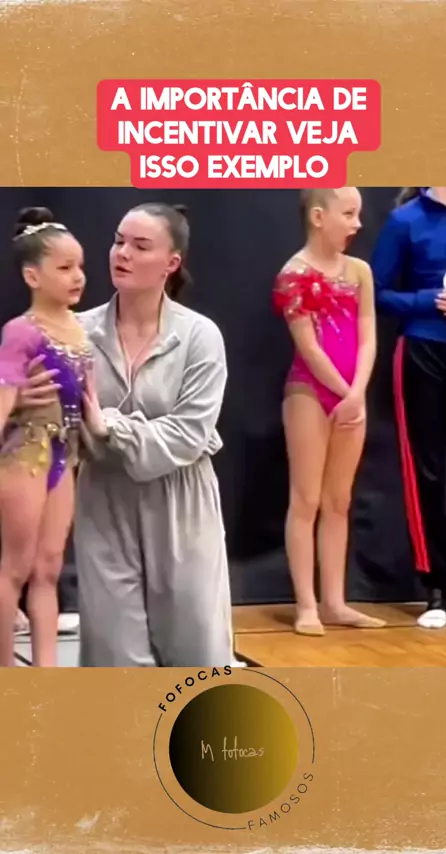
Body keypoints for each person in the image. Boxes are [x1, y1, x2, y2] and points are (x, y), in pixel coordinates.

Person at [18, 201, 234, 667]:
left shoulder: (200, 336)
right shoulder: (74, 332)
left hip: (181, 502)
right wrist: (26, 400)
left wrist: (108, 425)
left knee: (195, 649)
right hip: (104, 500)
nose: (123, 253)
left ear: (171, 263)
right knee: (115, 654)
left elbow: (189, 433)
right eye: (119, 241)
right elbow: (55, 429)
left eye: (140, 246)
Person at [273, 188, 384, 636]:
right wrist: (345, 393)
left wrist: (357, 393)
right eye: (349, 214)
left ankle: (335, 601)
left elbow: (368, 334)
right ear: (319, 217)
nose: (357, 223)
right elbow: (309, 346)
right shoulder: (293, 274)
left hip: (352, 395)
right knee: (307, 499)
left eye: (359, 214)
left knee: (339, 501)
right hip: (309, 393)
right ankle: (306, 604)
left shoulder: (359, 271)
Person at [372, 186, 446, 629]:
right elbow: (377, 292)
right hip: (422, 351)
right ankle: (436, 590)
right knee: (426, 474)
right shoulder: (405, 221)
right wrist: (427, 301)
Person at [0, 206, 92, 667]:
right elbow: (5, 396)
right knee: (14, 569)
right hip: (25, 454)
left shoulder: (79, 330)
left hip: (64, 456)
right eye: (65, 268)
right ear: (32, 276)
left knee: (49, 568)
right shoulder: (22, 331)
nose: (78, 277)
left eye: (80, 267)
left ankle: (47, 670)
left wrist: (103, 429)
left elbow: (89, 402)